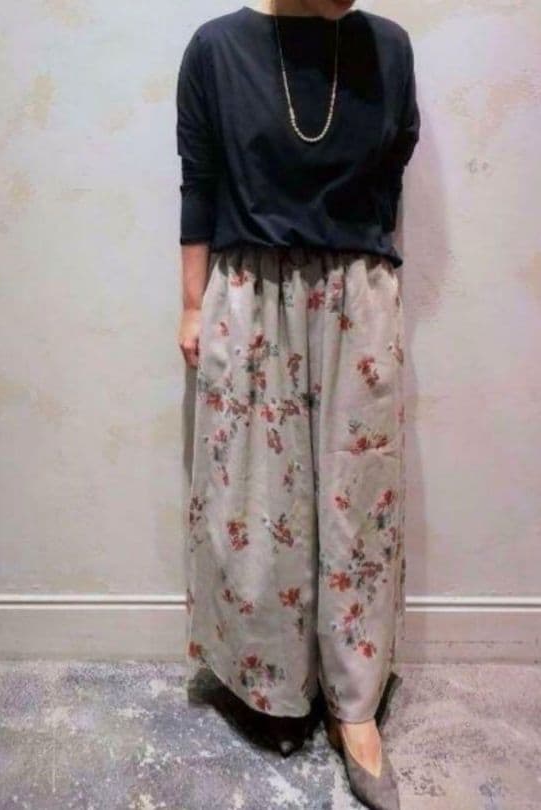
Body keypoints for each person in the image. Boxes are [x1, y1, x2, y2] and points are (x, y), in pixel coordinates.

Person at [176, 1, 420, 807]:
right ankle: (268, 680)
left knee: (359, 504)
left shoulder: (389, 48)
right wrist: (190, 305)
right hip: (250, 291)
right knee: (255, 501)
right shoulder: (217, 49)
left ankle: (354, 705)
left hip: (357, 295)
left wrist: (367, 286)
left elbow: (390, 179)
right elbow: (200, 181)